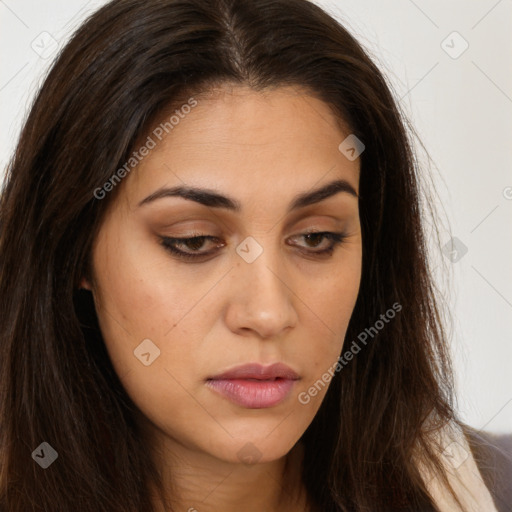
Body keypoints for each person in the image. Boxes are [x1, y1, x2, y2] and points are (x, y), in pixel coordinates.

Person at [0, 0, 508, 510]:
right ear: (74, 253)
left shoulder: (490, 490)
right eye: (194, 241)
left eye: (315, 238)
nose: (269, 313)